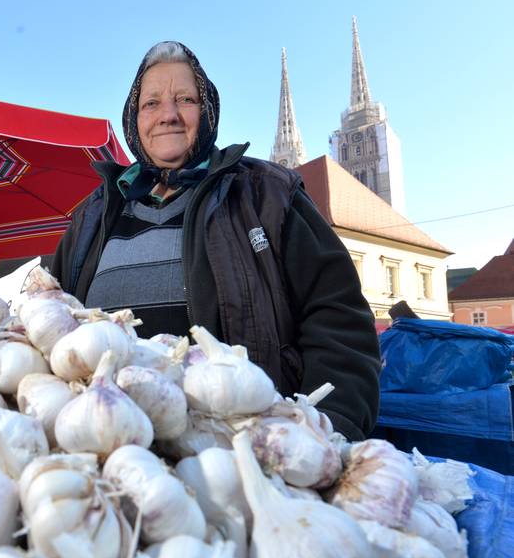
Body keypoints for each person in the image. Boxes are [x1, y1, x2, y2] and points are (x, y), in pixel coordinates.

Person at [51, 41, 381, 441]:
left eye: (185, 99)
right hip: (104, 446)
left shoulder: (267, 194)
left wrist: (332, 429)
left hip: (241, 452)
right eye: (151, 103)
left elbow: (336, 316)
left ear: (207, 111)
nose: (168, 115)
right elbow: (53, 321)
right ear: (133, 120)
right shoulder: (94, 213)